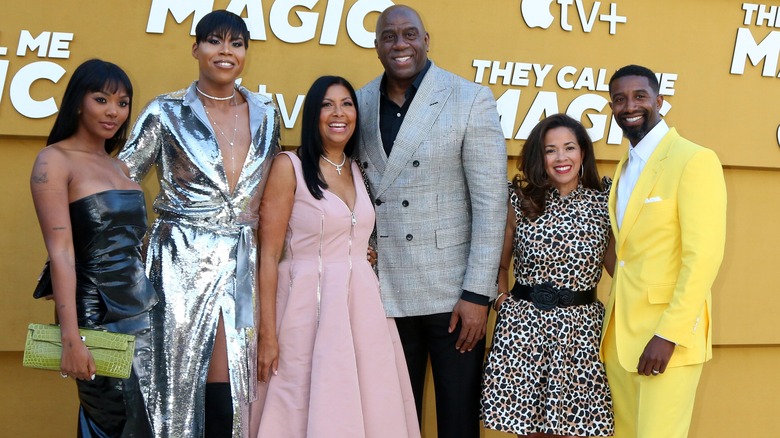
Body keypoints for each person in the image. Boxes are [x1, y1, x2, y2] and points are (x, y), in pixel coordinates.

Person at [118, 10, 280, 437]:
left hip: (241, 260)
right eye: (214, 41)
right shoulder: (164, 111)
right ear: (196, 49)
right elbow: (121, 182)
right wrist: (126, 259)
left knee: (231, 382)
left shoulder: (266, 114)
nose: (225, 51)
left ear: (246, 53)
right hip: (178, 262)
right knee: (176, 385)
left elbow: (275, 196)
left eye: (236, 43)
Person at [355, 5, 506, 436]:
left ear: (425, 40)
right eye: (389, 36)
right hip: (384, 290)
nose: (399, 44)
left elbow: (491, 205)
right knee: (392, 420)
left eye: (409, 34)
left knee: (456, 420)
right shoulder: (359, 102)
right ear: (377, 45)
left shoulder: (469, 98)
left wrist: (478, 294)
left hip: (453, 298)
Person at [250, 75, 419, 437]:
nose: (338, 113)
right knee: (300, 401)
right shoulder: (289, 166)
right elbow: (267, 255)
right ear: (313, 114)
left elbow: (352, 234)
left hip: (363, 311)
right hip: (304, 309)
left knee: (367, 403)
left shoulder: (358, 169)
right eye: (327, 104)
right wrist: (267, 333)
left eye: (346, 104)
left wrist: (361, 250)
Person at [29, 59, 157, 437]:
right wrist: (72, 338)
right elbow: (62, 254)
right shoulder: (53, 161)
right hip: (96, 317)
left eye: (122, 102)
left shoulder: (121, 168)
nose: (113, 111)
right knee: (116, 424)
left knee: (145, 425)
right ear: (77, 103)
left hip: (143, 315)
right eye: (101, 99)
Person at [601, 64, 727, 438]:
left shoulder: (694, 159)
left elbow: (702, 257)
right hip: (620, 340)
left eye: (640, 96)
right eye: (620, 99)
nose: (630, 106)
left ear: (659, 101)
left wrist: (668, 335)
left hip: (666, 342)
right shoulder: (625, 167)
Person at [481, 114, 615, 438]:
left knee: (575, 430)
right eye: (550, 150)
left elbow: (621, 267)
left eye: (569, 147)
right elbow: (498, 265)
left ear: (583, 152)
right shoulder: (520, 199)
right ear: (539, 157)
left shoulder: (605, 200)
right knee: (530, 432)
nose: (561, 158)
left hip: (581, 335)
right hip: (525, 330)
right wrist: (503, 302)